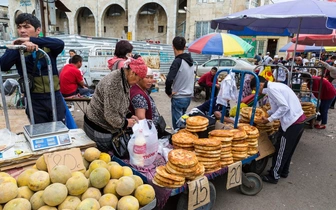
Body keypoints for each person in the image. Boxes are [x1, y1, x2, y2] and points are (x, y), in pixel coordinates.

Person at [0, 13, 65, 124]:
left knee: (59, 128)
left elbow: (60, 44)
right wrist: (18, 46)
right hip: (33, 99)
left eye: (26, 27)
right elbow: (4, 65)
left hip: (54, 96)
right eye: (19, 27)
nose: (22, 30)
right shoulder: (17, 48)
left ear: (37, 30)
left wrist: (33, 41)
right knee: (39, 131)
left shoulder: (47, 45)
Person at [83, 57, 147, 152]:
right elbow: (111, 116)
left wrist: (129, 115)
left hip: (107, 125)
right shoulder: (114, 84)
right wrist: (126, 123)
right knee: (105, 155)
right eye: (138, 80)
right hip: (99, 127)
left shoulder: (124, 78)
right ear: (132, 73)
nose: (136, 83)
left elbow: (121, 102)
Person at [250, 76, 306, 184]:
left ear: (260, 84)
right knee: (288, 150)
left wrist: (269, 119)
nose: (257, 91)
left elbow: (284, 107)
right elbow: (276, 107)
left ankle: (274, 176)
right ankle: (284, 171)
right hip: (299, 120)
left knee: (281, 149)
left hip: (292, 123)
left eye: (256, 89)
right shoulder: (276, 86)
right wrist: (267, 114)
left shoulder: (272, 89)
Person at [165, 36, 195, 130]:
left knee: (178, 127)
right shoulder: (191, 61)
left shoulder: (177, 61)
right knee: (183, 123)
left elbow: (169, 79)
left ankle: (180, 142)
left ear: (173, 46)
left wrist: (168, 92)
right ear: (185, 47)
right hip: (188, 96)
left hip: (179, 97)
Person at [130, 68, 166, 137]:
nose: (150, 81)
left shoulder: (143, 90)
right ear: (139, 78)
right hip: (147, 133)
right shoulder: (139, 96)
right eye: (147, 77)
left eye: (151, 77)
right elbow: (141, 119)